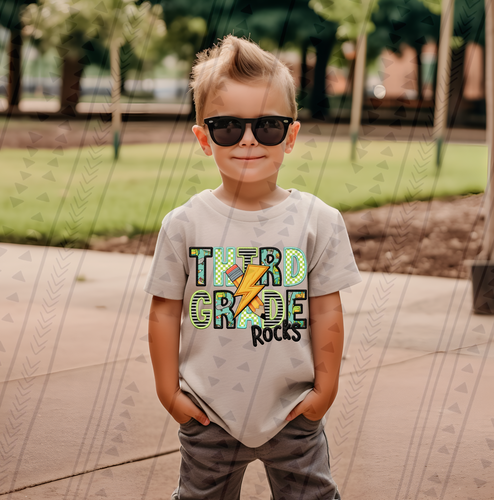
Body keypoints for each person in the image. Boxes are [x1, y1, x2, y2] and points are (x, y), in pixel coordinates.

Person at [143, 34, 363, 500]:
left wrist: (325, 389)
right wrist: (170, 393)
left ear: (291, 135)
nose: (247, 140)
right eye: (227, 127)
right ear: (204, 138)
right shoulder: (184, 225)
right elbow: (164, 312)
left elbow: (327, 311)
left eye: (267, 126)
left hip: (293, 408)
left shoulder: (317, 222)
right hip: (208, 410)